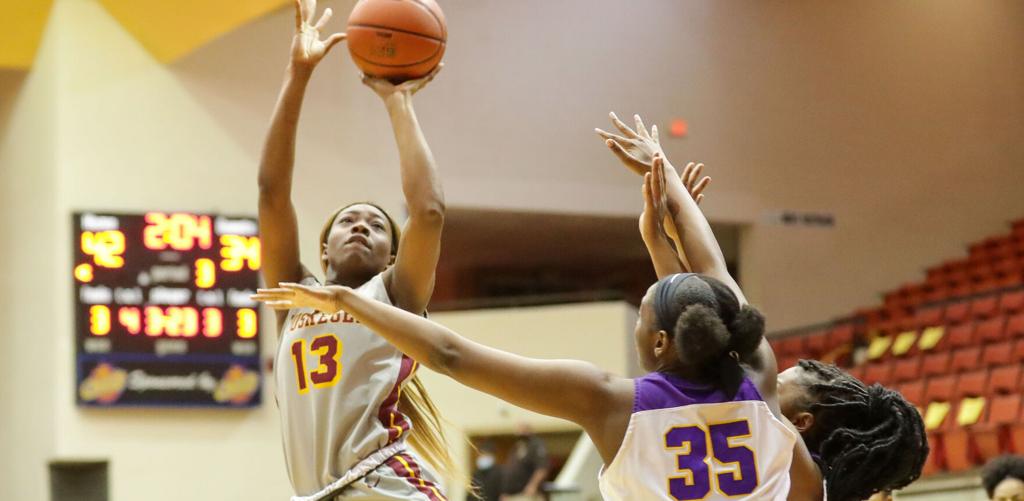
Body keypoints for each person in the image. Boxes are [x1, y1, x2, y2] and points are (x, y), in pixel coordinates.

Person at [252, 172, 817, 499]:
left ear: (661, 343)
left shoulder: (613, 401)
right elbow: (715, 283)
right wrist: (671, 211)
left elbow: (448, 354)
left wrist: (664, 199)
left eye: (643, 315)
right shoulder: (762, 390)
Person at [597, 112, 929, 501]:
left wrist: (665, 174)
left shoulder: (767, 427)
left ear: (801, 422)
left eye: (781, 382)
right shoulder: (794, 476)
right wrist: (664, 238)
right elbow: (697, 327)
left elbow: (712, 272)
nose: (766, 377)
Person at [257, 0, 451, 499]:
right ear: (323, 251)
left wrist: (397, 103)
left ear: (392, 256)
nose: (361, 227)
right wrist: (297, 74)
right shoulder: (294, 296)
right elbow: (271, 193)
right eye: (348, 221)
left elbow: (427, 210)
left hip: (387, 487)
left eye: (377, 226)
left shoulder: (395, 296)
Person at [499, 424, 549, 501]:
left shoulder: (536, 445)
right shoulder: (517, 447)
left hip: (527, 495)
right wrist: (506, 493)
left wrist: (533, 486)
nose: (519, 433)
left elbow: (541, 468)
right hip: (513, 495)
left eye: (522, 430)